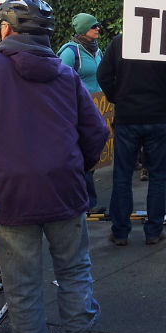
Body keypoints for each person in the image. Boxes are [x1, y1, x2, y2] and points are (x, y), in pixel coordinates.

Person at [0, 0, 109, 333]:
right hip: (64, 190)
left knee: (21, 285)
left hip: (10, 197)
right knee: (74, 272)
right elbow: (96, 133)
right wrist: (80, 166)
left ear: (5, 29)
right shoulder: (65, 74)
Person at [97, 35, 166, 246]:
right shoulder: (164, 41)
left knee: (122, 175)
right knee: (157, 176)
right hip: (157, 116)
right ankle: (153, 231)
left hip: (127, 117)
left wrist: (117, 97)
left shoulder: (120, 41)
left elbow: (103, 75)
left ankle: (120, 232)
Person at [58, 12, 104, 213]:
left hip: (98, 110)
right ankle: (86, 203)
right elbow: (59, 80)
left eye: (97, 25)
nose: (97, 29)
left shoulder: (98, 50)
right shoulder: (69, 52)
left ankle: (87, 200)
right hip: (77, 112)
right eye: (93, 26)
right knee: (82, 155)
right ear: (83, 29)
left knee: (92, 155)